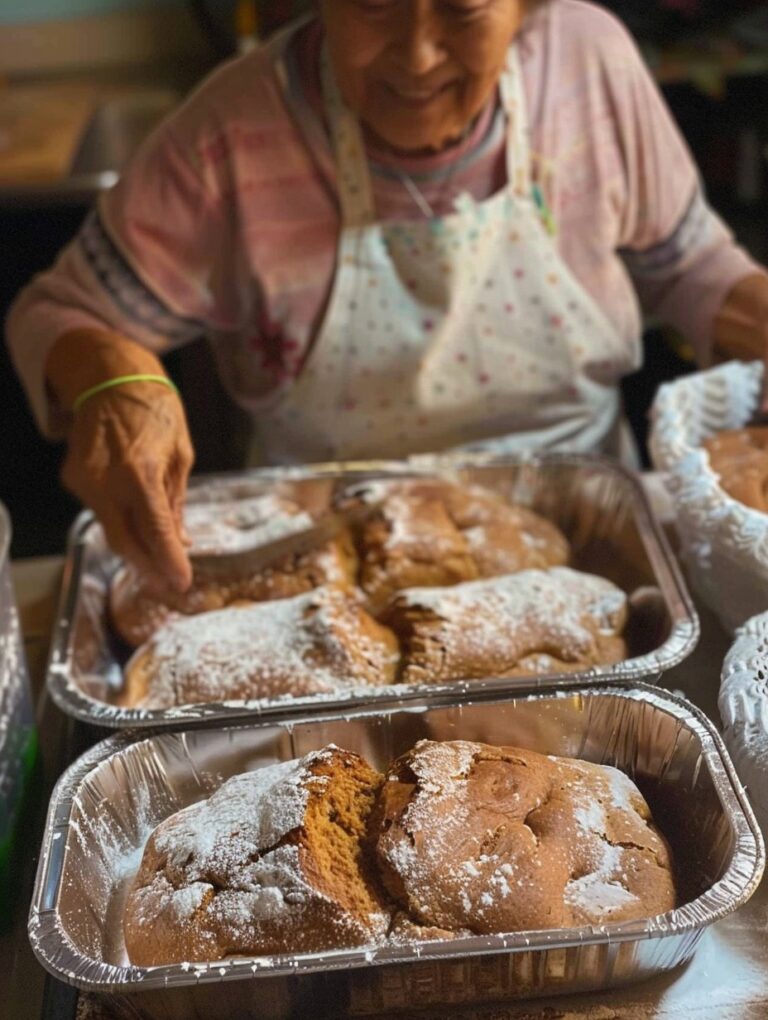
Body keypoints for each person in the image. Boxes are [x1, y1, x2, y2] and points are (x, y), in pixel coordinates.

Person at [6, 0, 768, 594]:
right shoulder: (227, 138)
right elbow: (58, 312)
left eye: (464, 9)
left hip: (590, 543)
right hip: (322, 560)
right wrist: (117, 380)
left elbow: (690, 264)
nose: (417, 55)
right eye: (372, 5)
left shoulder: (587, 62)